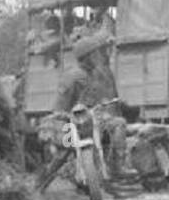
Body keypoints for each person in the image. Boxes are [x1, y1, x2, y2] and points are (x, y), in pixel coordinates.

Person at [54, 34, 128, 176]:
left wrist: (106, 106)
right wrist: (62, 114)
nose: (98, 56)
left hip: (92, 120)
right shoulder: (74, 76)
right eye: (96, 54)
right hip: (76, 123)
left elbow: (97, 100)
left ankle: (108, 167)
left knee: (116, 123)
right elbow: (61, 103)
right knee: (120, 124)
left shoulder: (94, 74)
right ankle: (118, 166)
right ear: (88, 56)